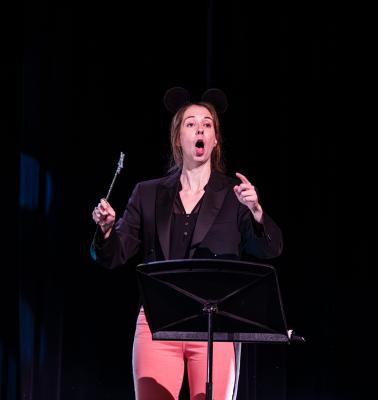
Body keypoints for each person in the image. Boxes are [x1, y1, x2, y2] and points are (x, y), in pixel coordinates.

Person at [90, 87, 283, 400]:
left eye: (207, 124)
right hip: (158, 322)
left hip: (214, 324)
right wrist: (107, 229)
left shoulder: (234, 195)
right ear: (178, 138)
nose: (200, 129)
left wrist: (257, 212)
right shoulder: (148, 193)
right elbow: (113, 254)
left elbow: (270, 250)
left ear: (215, 139)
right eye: (191, 124)